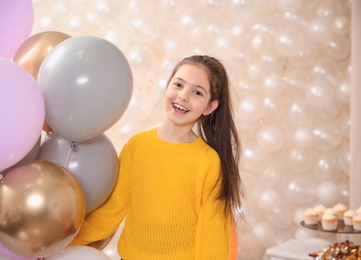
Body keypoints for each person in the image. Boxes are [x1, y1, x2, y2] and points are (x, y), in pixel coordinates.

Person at [69, 55, 244, 259]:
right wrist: (60, 243)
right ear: (168, 86)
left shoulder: (208, 161)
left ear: (210, 107)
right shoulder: (137, 146)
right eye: (178, 85)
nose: (183, 96)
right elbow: (111, 211)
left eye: (197, 92)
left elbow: (212, 236)